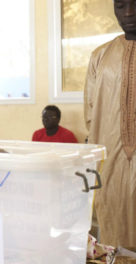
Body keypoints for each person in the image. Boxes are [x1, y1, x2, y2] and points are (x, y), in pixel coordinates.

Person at [84, 0, 136, 248]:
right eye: (120, 6)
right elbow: (91, 113)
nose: (128, 13)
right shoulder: (100, 56)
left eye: (134, 4)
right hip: (110, 156)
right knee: (113, 229)